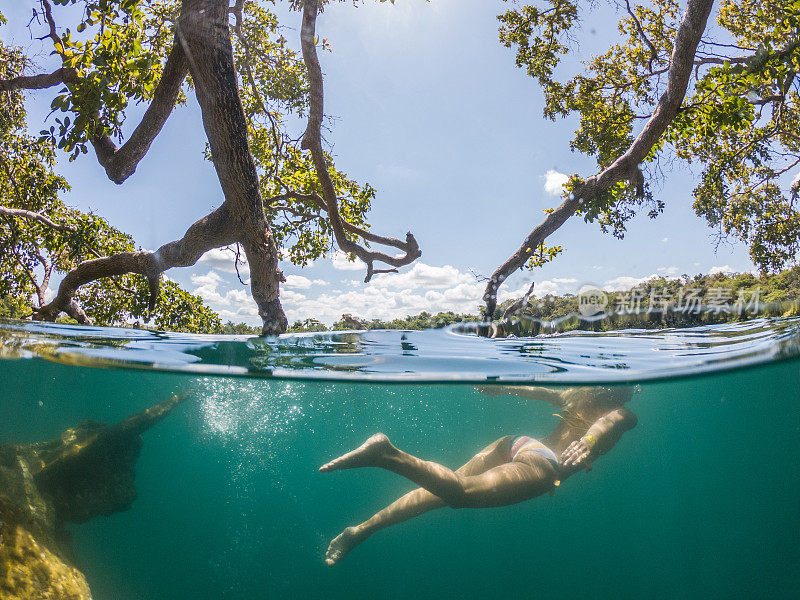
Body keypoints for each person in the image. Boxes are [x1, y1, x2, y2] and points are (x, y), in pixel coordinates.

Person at [319, 385, 637, 566]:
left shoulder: (576, 394)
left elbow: (539, 391)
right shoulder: (625, 413)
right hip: (545, 464)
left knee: (439, 493)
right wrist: (589, 442)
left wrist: (502, 388)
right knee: (459, 495)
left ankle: (361, 529)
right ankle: (387, 455)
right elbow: (609, 423)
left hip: (519, 443)